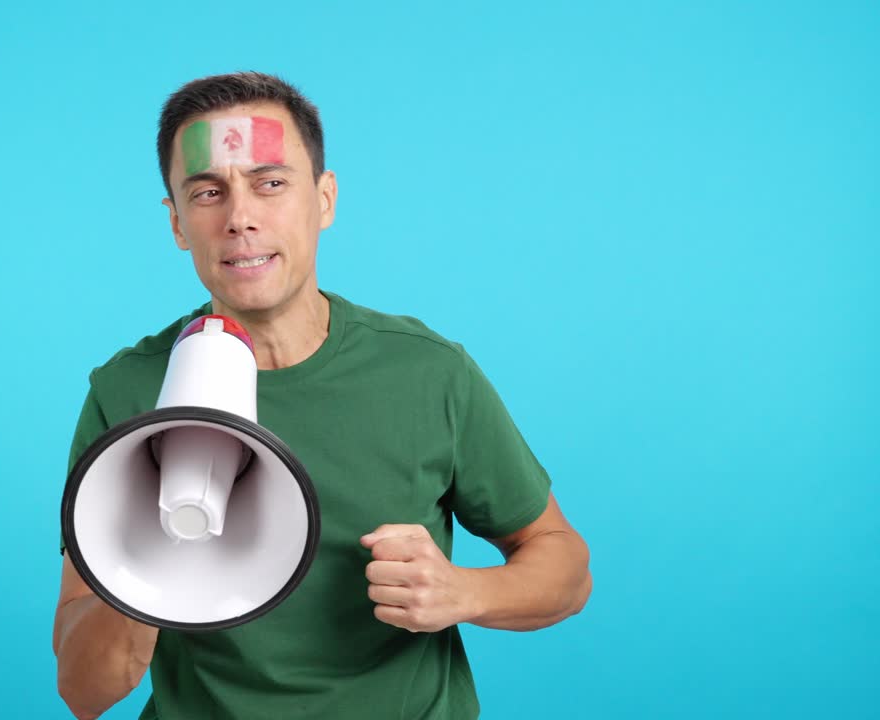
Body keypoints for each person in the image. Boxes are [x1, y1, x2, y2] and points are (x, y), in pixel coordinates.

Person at [52, 71, 592, 720]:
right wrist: (145, 568)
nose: (240, 218)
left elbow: (566, 567)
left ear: (325, 199)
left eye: (270, 183)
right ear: (175, 222)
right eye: (207, 192)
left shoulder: (427, 372)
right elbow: (83, 693)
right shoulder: (128, 393)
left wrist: (464, 592)